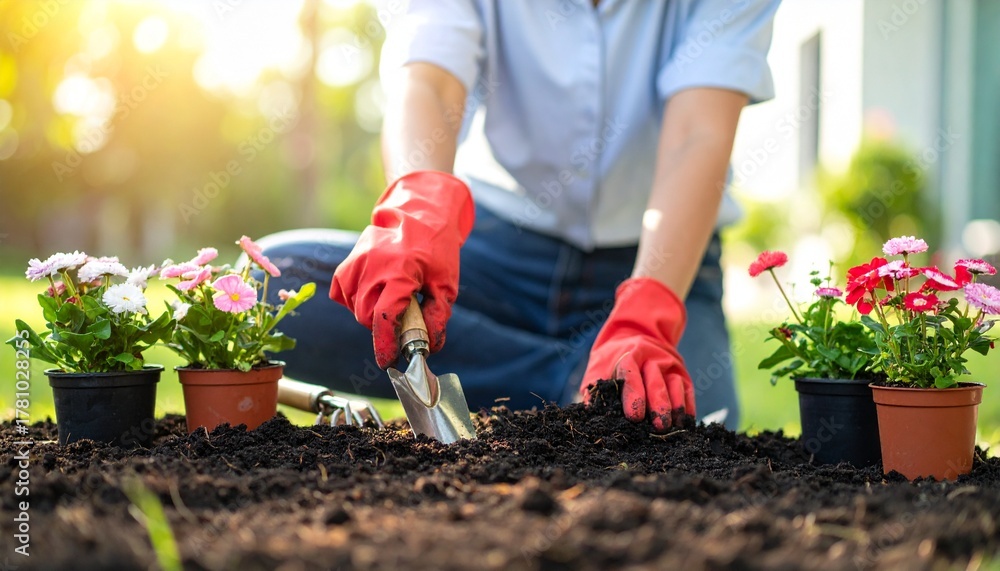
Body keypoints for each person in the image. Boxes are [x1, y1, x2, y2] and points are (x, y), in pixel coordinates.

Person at [258, 0, 781, 432]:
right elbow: (429, 81)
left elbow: (697, 133)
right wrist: (417, 201)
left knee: (697, 435)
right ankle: (575, 387)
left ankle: (583, 381)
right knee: (274, 283)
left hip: (662, 262)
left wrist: (648, 315)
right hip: (499, 254)